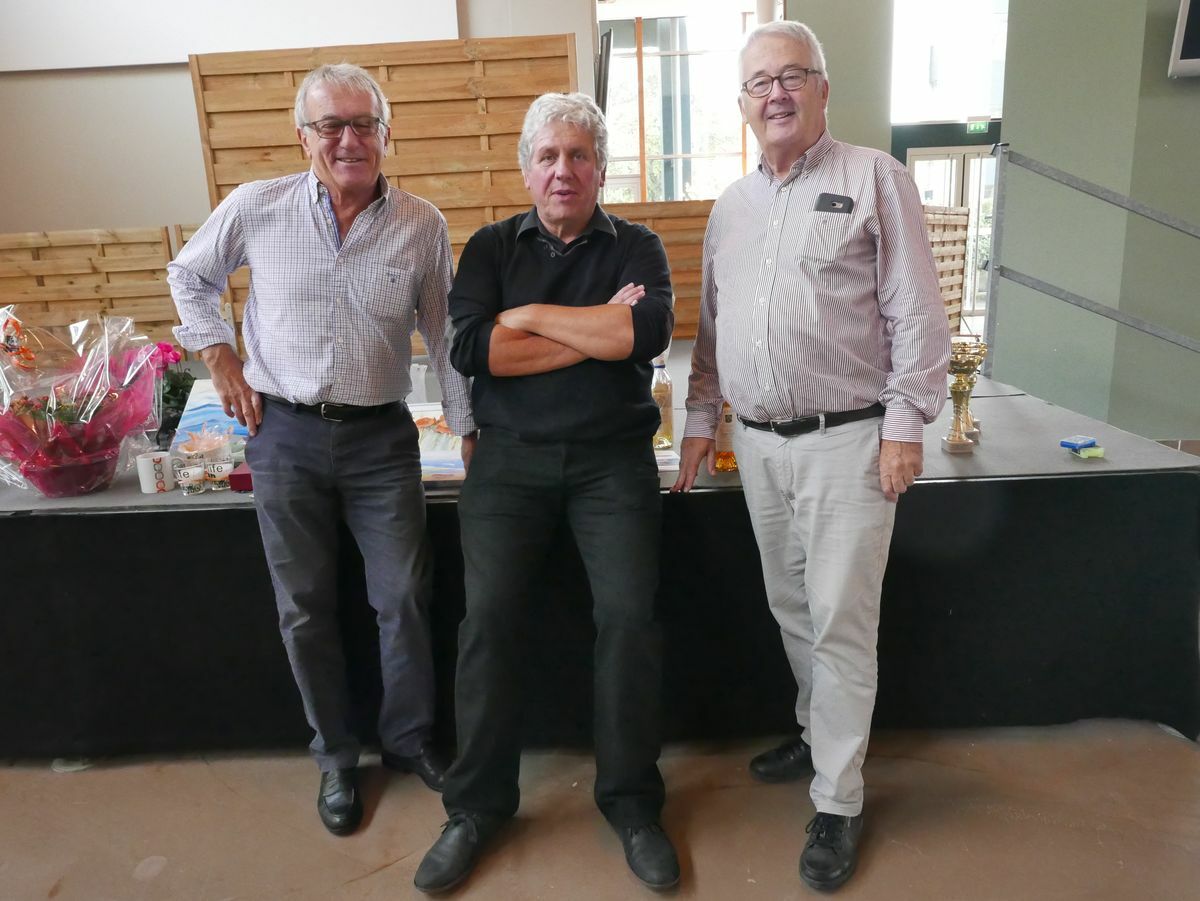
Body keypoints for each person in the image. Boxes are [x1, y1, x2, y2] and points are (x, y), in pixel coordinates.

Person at [672, 21, 950, 893]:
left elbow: (916, 309)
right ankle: (818, 730)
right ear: (743, 104)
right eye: (761, 82)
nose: (777, 93)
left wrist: (905, 422)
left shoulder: (875, 177)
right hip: (758, 446)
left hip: (850, 442)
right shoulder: (731, 207)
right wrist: (701, 420)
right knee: (792, 605)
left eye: (793, 76)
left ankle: (838, 796)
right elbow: (712, 330)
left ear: (823, 88)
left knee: (840, 620)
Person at [168, 63, 475, 837]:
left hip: (381, 439)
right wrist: (220, 355)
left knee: (403, 597)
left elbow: (445, 336)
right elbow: (189, 275)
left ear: (386, 133)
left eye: (363, 124)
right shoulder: (257, 205)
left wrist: (468, 426)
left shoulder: (422, 224)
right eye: (330, 125)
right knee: (304, 606)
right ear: (302, 136)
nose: (348, 140)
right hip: (285, 434)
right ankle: (336, 756)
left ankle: (408, 739)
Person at [413, 92, 678, 894]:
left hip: (613, 464)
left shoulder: (639, 245)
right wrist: (594, 328)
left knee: (629, 620)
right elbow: (475, 350)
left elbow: (644, 335)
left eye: (579, 155)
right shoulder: (491, 247)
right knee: (488, 622)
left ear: (600, 167)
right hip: (509, 463)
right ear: (527, 169)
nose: (564, 170)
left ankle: (632, 803)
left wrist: (527, 318)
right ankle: (476, 806)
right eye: (548, 156)